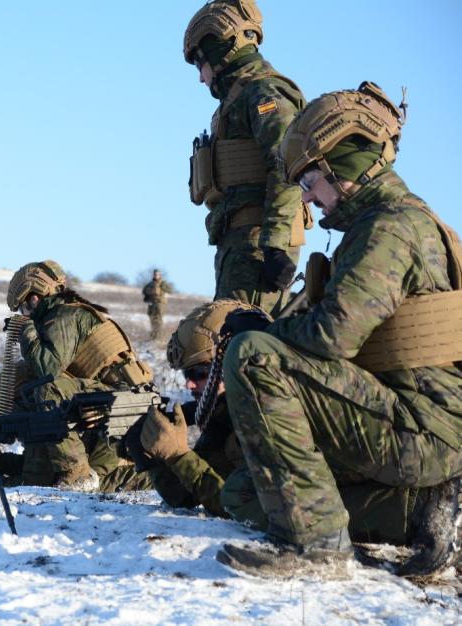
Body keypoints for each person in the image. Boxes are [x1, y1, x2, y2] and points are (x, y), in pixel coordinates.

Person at [217, 82, 462, 579]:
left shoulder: (389, 230)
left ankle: (318, 549)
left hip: (423, 429)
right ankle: (419, 511)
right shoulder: (397, 223)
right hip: (412, 424)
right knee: (243, 492)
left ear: (346, 164)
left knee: (253, 355)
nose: (309, 197)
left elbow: (333, 338)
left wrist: (264, 334)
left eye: (311, 180)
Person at [132, 300, 419, 551]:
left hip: (408, 513)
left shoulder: (270, 409)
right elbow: (188, 495)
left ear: (230, 361)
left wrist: (180, 457)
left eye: (199, 372)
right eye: (186, 374)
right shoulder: (224, 413)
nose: (190, 384)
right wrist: (150, 455)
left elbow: (240, 502)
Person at [184, 0, 311, 314]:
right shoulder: (238, 99)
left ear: (220, 51)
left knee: (243, 345)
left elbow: (286, 167)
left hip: (258, 245)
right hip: (243, 243)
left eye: (200, 64)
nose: (201, 78)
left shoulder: (264, 92)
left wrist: (274, 245)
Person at [6, 260, 154, 488]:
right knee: (100, 481)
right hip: (114, 405)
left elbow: (47, 370)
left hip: (122, 404)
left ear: (36, 296)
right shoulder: (65, 314)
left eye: (25, 308)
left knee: (47, 388)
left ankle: (77, 475)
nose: (26, 314)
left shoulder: (65, 316)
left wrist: (27, 333)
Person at [141, 269, 172, 341]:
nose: (156, 275)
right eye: (155, 274)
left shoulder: (163, 283)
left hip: (160, 303)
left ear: (160, 275)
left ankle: (158, 338)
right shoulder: (150, 283)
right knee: (152, 318)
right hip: (152, 303)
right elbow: (144, 291)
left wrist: (164, 289)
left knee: (158, 320)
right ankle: (153, 337)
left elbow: (170, 290)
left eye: (158, 274)